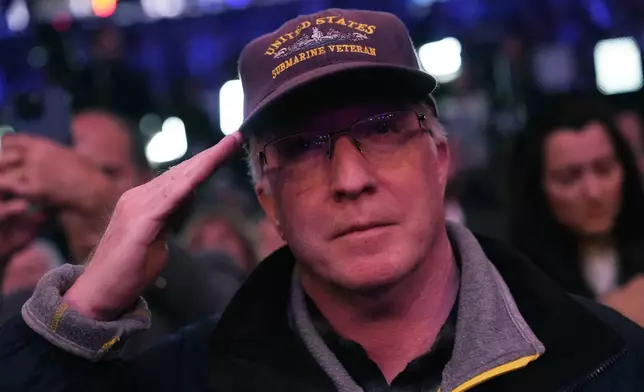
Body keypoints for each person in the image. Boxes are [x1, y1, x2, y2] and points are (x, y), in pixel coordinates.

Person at [1, 9, 644, 392]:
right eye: (305, 147)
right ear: (267, 199)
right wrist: (77, 318)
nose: (349, 179)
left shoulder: (603, 357)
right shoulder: (189, 378)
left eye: (383, 130)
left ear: (440, 159)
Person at [0, 108, 244, 353]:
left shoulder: (208, 271)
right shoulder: (30, 305)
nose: (78, 188)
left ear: (149, 180)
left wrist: (103, 204)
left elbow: (241, 325)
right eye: (67, 176)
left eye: (107, 172)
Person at [508, 102, 644, 299]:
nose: (594, 192)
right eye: (569, 178)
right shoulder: (518, 282)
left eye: (604, 169)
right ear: (537, 187)